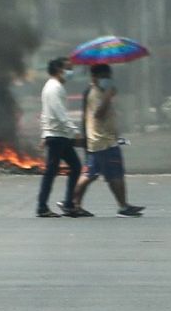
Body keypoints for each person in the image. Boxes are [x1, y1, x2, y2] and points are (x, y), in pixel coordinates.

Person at [71, 63, 145, 217]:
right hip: (103, 142)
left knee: (94, 174)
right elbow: (99, 113)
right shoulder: (96, 93)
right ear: (95, 77)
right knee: (113, 174)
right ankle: (122, 206)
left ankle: (75, 204)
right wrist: (108, 95)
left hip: (101, 141)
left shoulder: (99, 91)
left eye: (109, 76)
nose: (108, 79)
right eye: (104, 77)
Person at [35, 58, 83, 218]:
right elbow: (59, 113)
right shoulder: (54, 88)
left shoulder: (54, 87)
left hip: (59, 135)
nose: (70, 72)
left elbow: (45, 114)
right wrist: (74, 130)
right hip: (57, 136)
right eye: (68, 68)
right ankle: (42, 207)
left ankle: (68, 203)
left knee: (75, 167)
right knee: (51, 171)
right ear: (58, 70)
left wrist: (44, 133)